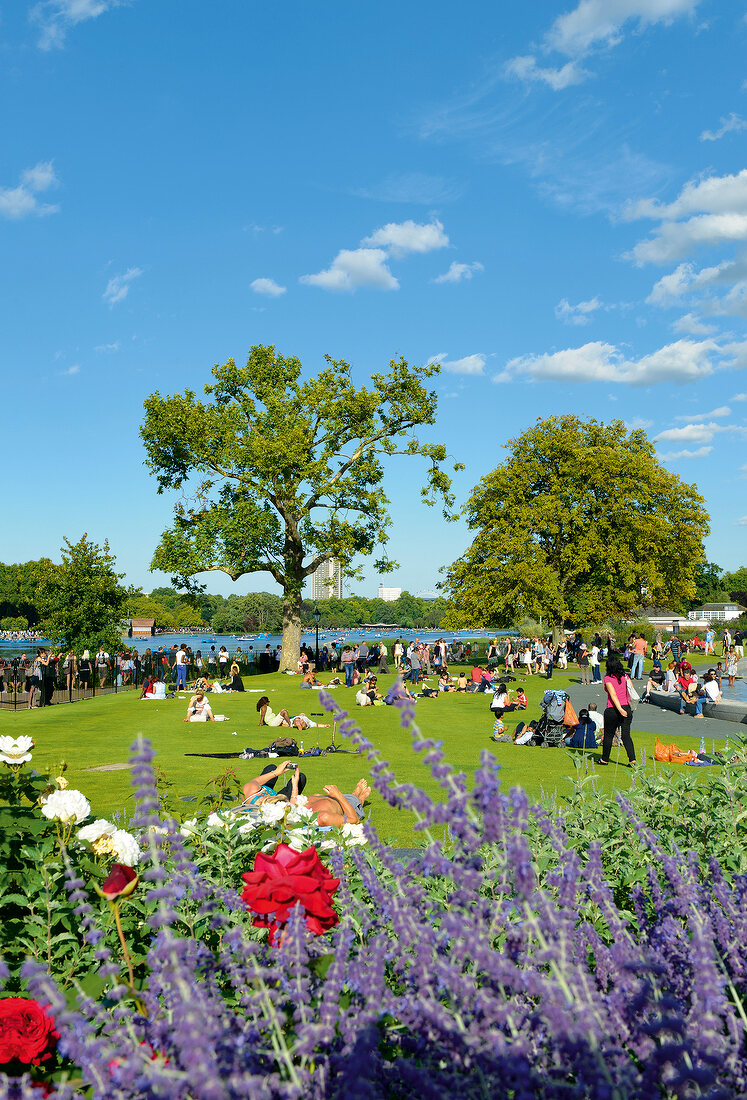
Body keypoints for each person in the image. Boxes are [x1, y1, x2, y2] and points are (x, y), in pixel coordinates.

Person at [599, 654, 636, 767]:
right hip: (626, 707)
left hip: (613, 709)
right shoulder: (625, 677)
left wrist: (619, 709)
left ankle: (605, 759)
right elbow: (632, 691)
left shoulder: (608, 678)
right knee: (626, 736)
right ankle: (632, 760)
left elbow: (613, 694)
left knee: (609, 735)